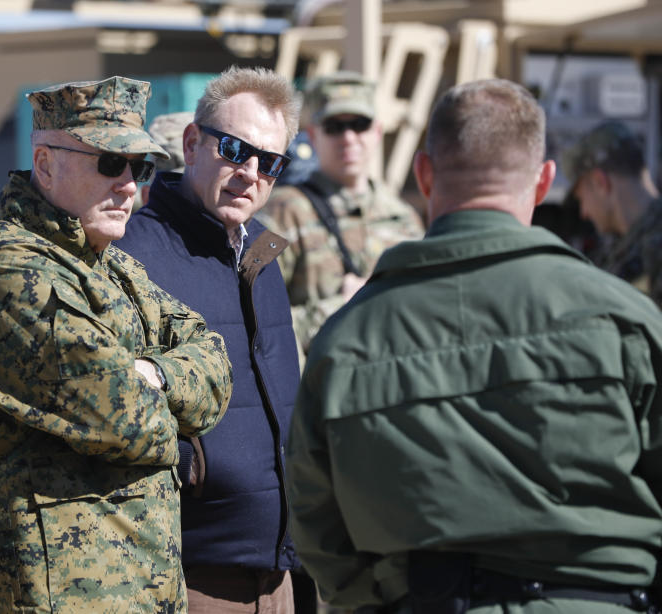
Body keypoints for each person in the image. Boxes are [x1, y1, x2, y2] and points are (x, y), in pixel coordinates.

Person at [286, 78, 662, 613]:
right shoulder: (625, 319)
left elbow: (317, 524)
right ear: (543, 180)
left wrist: (391, 600)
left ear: (424, 174)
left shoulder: (348, 337)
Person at [0, 75, 233, 613]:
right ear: (45, 164)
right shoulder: (9, 271)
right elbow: (126, 420)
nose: (128, 185)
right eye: (108, 162)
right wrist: (166, 407)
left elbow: (214, 359)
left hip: (145, 591)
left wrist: (156, 376)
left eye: (138, 168)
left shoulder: (112, 265)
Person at [116, 66, 303, 613]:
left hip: (277, 570)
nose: (250, 172)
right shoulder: (133, 254)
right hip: (188, 573)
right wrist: (191, 469)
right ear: (192, 143)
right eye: (234, 149)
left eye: (270, 162)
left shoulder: (262, 257)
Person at [256, 71, 424, 358]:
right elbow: (254, 322)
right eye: (334, 126)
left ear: (377, 131)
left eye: (360, 125)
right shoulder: (283, 212)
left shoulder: (404, 218)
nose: (348, 138)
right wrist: (335, 308)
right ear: (312, 134)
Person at [561, 120, 662, 306]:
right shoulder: (627, 246)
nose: (584, 212)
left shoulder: (653, 245)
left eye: (582, 198)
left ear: (600, 183)